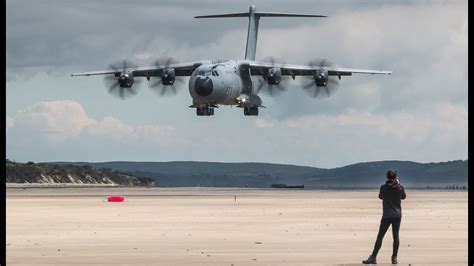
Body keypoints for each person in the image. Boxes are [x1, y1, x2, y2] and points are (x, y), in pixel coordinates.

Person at [363, 169, 406, 264]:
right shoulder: (400, 187)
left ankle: (373, 257)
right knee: (396, 237)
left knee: (380, 237)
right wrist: (398, 183)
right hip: (397, 215)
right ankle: (394, 258)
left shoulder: (383, 187)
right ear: (395, 177)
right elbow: (403, 197)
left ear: (387, 177)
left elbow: (380, 197)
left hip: (386, 215)